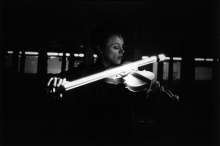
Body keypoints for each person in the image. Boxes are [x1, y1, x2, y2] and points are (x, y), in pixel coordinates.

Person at [46, 25, 179, 144]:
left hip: (123, 138)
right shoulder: (82, 73)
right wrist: (57, 84)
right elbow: (63, 94)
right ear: (100, 49)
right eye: (116, 47)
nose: (122, 51)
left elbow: (144, 108)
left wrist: (156, 94)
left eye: (122, 47)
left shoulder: (130, 76)